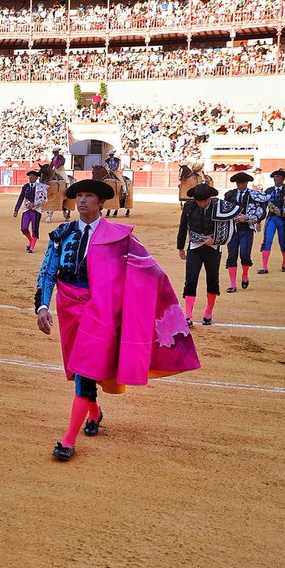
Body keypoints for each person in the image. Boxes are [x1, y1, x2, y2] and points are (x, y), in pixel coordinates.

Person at [35, 179, 200, 462]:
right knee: (79, 366)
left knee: (85, 366)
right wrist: (42, 305)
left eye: (89, 196)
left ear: (101, 203)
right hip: (69, 309)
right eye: (79, 196)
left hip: (102, 310)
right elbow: (48, 271)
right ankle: (95, 412)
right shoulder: (61, 234)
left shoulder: (119, 236)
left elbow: (148, 270)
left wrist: (144, 299)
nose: (82, 200)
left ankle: (68, 440)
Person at [177, 183, 241, 326]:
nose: (201, 203)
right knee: (191, 280)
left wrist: (216, 240)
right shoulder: (189, 206)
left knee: (212, 280)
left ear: (210, 197)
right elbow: (183, 226)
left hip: (213, 248)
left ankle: (208, 313)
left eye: (204, 201)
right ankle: (188, 316)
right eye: (198, 201)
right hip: (194, 247)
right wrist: (180, 247)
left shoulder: (220, 206)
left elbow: (230, 226)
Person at [223, 172, 267, 291]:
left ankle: (245, 274)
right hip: (232, 229)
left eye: (243, 183)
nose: (240, 185)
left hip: (247, 229)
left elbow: (262, 212)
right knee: (232, 255)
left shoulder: (254, 195)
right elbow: (223, 211)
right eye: (238, 183)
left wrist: (247, 218)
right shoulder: (230, 195)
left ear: (247, 183)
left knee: (244, 255)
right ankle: (232, 284)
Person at [258, 169, 285, 274]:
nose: (276, 179)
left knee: (283, 241)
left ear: (283, 178)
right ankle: (264, 267)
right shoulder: (269, 191)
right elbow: (263, 206)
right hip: (271, 218)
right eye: (275, 177)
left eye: (278, 177)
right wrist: (259, 220)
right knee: (267, 240)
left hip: (284, 219)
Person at [13, 169, 47, 253]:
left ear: (36, 177)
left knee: (35, 229)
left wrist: (35, 204)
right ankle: (31, 240)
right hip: (27, 210)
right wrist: (16, 209)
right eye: (30, 175)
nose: (31, 177)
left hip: (36, 210)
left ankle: (32, 247)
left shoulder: (41, 187)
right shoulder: (25, 186)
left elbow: (44, 199)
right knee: (24, 228)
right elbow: (21, 198)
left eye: (33, 175)